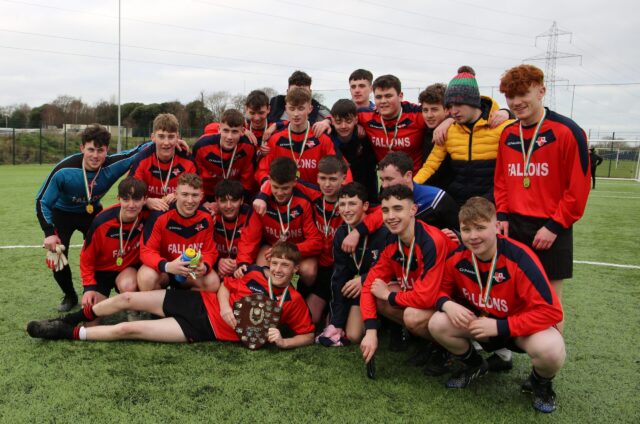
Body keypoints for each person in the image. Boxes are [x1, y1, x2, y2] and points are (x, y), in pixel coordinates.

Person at [27, 242, 315, 349]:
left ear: (294, 269)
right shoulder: (253, 274)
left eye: (284, 266)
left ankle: (68, 334)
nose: (277, 269)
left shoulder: (294, 301)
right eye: (274, 263)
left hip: (202, 329)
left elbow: (308, 334)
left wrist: (285, 341)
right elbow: (225, 286)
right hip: (197, 302)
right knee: (128, 299)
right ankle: (67, 319)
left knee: (130, 327)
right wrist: (226, 307)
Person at [428, 197, 565, 413]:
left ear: (496, 227)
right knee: (437, 322)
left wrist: (501, 326)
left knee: (551, 349)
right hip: (480, 324)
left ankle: (540, 383)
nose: (473, 236)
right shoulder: (457, 258)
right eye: (466, 229)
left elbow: (551, 312)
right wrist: (446, 304)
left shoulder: (520, 258)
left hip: (519, 330)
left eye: (480, 228)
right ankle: (474, 365)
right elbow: (437, 291)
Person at [494, 64, 591, 332]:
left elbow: (578, 188)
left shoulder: (568, 131)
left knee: (550, 304)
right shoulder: (507, 134)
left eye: (522, 94)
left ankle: (547, 369)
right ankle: (504, 354)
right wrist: (501, 214)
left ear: (541, 91)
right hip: (513, 225)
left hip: (551, 228)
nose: (515, 102)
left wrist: (555, 226)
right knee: (510, 296)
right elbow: (501, 180)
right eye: (510, 97)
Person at [35, 124, 156, 311]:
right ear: (82, 148)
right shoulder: (64, 170)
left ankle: (96, 287)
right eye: (91, 149)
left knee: (102, 250)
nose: (95, 155)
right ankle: (69, 295)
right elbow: (42, 201)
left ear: (107, 150)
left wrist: (166, 142)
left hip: (90, 212)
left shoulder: (113, 164)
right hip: (62, 214)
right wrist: (49, 232)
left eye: (101, 150)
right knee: (58, 257)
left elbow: (139, 150)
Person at [359, 185, 456, 368]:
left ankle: (446, 348)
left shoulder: (430, 241)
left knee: (410, 314)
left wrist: (389, 295)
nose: (391, 216)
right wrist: (371, 330)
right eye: (385, 210)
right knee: (379, 298)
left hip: (457, 304)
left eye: (398, 209)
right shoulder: (392, 240)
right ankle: (433, 343)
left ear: (413, 210)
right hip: (428, 297)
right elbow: (369, 285)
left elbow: (426, 297)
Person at [414, 68, 514, 206]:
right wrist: (409, 187)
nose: (454, 111)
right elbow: (430, 167)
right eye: (450, 106)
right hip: (459, 205)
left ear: (474, 102)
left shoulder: (503, 127)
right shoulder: (449, 130)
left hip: (493, 205)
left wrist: (508, 112)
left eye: (459, 104)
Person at [317, 182, 389, 347]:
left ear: (365, 206)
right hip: (358, 289)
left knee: (355, 335)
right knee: (353, 335)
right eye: (342, 204)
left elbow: (389, 270)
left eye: (352, 203)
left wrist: (364, 279)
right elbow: (339, 279)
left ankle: (390, 327)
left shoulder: (383, 233)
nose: (346, 209)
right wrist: (337, 323)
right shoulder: (341, 235)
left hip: (378, 285)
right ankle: (334, 316)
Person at [235, 157, 322, 288]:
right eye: (275, 187)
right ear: (269, 180)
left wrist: (288, 251)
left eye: (285, 188)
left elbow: (316, 242)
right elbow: (249, 237)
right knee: (260, 268)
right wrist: (243, 263)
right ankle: (270, 298)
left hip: (299, 249)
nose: (280, 193)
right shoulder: (261, 204)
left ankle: (298, 297)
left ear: (294, 182)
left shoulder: (304, 202)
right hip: (272, 247)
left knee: (308, 270)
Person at [138, 173, 220, 292]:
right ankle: (155, 309)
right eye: (185, 194)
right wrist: (167, 266)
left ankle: (185, 307)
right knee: (146, 277)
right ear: (176, 194)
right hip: (164, 270)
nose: (190, 200)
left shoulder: (206, 218)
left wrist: (205, 266)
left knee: (212, 282)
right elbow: (147, 251)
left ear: (202, 196)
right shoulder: (160, 215)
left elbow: (210, 251)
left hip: (189, 270)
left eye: (195, 195)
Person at [79, 177, 147, 310]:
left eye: (137, 199)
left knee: (128, 285)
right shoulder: (102, 222)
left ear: (145, 200)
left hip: (126, 270)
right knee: (90, 317)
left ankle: (133, 312)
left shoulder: (148, 216)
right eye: (126, 199)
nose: (131, 205)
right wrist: (89, 287)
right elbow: (86, 257)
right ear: (118, 198)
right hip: (101, 272)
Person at [256, 87, 340, 186]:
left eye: (301, 108)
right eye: (292, 108)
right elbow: (262, 170)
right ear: (286, 109)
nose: (296, 114)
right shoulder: (276, 139)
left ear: (310, 109)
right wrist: (266, 183)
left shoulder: (322, 138)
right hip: (284, 197)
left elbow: (339, 170)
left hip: (314, 198)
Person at [130, 113, 197, 212]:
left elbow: (197, 192)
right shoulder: (142, 159)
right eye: (161, 136)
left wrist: (178, 195)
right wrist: (146, 201)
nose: (166, 142)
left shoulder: (188, 160)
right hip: (148, 215)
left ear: (177, 137)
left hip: (178, 215)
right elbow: (129, 191)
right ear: (153, 137)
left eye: (171, 137)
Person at [192, 108, 257, 205]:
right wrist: (204, 202)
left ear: (243, 131)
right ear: (219, 129)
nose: (229, 137)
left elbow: (247, 181)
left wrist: (239, 202)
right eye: (226, 130)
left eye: (234, 131)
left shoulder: (248, 147)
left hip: (233, 197)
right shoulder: (201, 146)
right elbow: (194, 178)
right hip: (207, 196)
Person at [329, 99, 378, 201]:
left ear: (356, 120)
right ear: (332, 121)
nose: (343, 126)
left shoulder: (365, 137)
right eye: (338, 121)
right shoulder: (327, 137)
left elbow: (371, 172)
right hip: (335, 194)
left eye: (348, 121)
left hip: (364, 192)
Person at [415, 83, 454, 190]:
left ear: (447, 110)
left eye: (434, 109)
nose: (429, 115)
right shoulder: (421, 128)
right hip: (426, 189)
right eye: (425, 110)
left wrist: (450, 120)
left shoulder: (456, 129)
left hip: (450, 194)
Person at [212, 179, 250, 277]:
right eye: (223, 201)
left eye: (234, 200)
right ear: (216, 200)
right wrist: (218, 261)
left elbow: (253, 246)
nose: (228, 206)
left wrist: (239, 263)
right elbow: (204, 247)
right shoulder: (209, 216)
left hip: (244, 265)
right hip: (216, 266)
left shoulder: (250, 215)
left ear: (242, 200)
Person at [266, 70, 331, 128]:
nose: (298, 95)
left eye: (303, 92)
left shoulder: (320, 112)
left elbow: (337, 120)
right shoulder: (272, 106)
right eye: (294, 91)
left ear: (310, 93)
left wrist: (328, 121)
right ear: (287, 91)